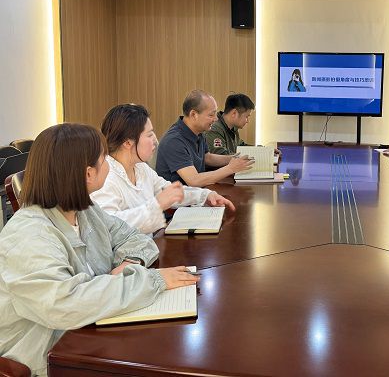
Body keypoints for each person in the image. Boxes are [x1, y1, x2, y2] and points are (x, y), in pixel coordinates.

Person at [0, 123, 199, 376]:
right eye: (104, 158)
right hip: (44, 354)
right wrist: (152, 281)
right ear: (88, 174)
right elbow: (65, 304)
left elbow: (136, 238)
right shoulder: (29, 234)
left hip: (88, 331)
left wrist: (129, 264)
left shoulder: (85, 210)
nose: (109, 164)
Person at [92, 104, 235, 235]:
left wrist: (205, 196)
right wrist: (157, 205)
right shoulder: (105, 177)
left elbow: (167, 190)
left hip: (147, 246)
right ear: (128, 142)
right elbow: (109, 227)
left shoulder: (140, 167)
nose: (155, 140)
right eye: (149, 134)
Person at [156, 90, 254, 187]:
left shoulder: (198, 131)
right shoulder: (174, 141)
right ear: (194, 114)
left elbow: (207, 157)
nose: (216, 119)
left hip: (197, 192)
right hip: (178, 195)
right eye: (211, 115)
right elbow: (194, 180)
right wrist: (231, 168)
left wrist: (234, 159)